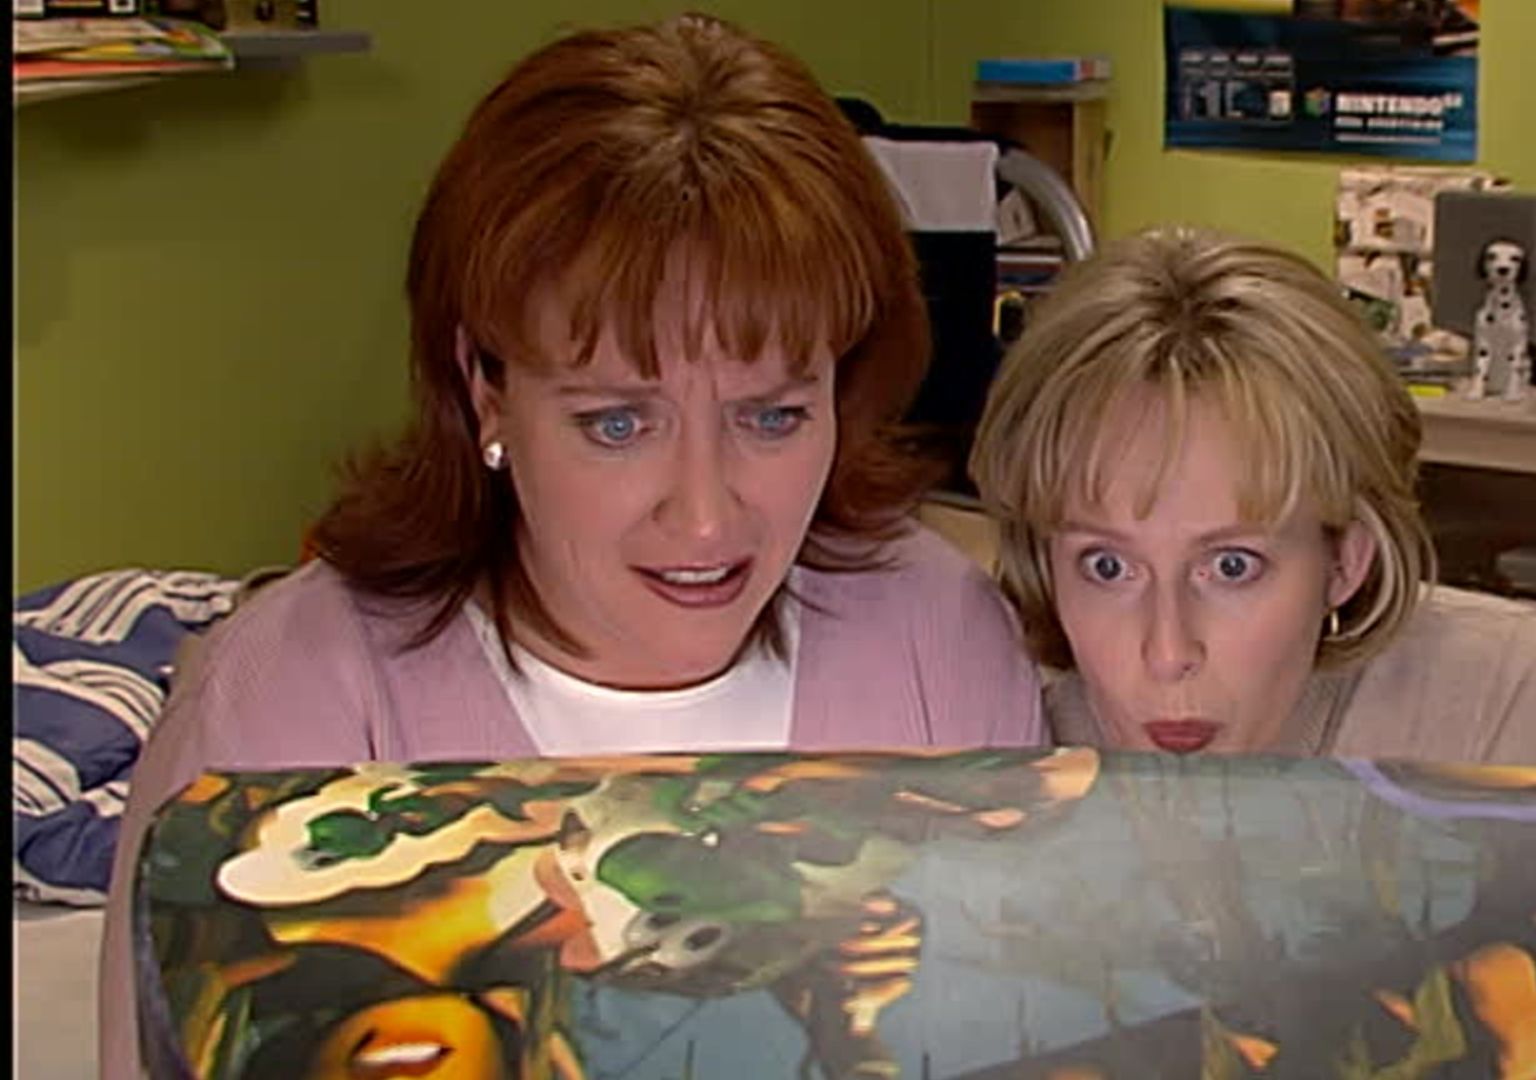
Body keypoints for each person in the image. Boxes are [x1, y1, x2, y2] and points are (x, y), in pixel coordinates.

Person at [100, 15, 1043, 1076]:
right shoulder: (285, 701)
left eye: (773, 415)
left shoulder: (941, 639)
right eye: (618, 423)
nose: (706, 518)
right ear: (485, 388)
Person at [969, 225, 1536, 765]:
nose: (1168, 653)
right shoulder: (991, 706)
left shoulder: (1489, 694)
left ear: (1345, 560)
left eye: (1232, 566)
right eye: (1107, 566)